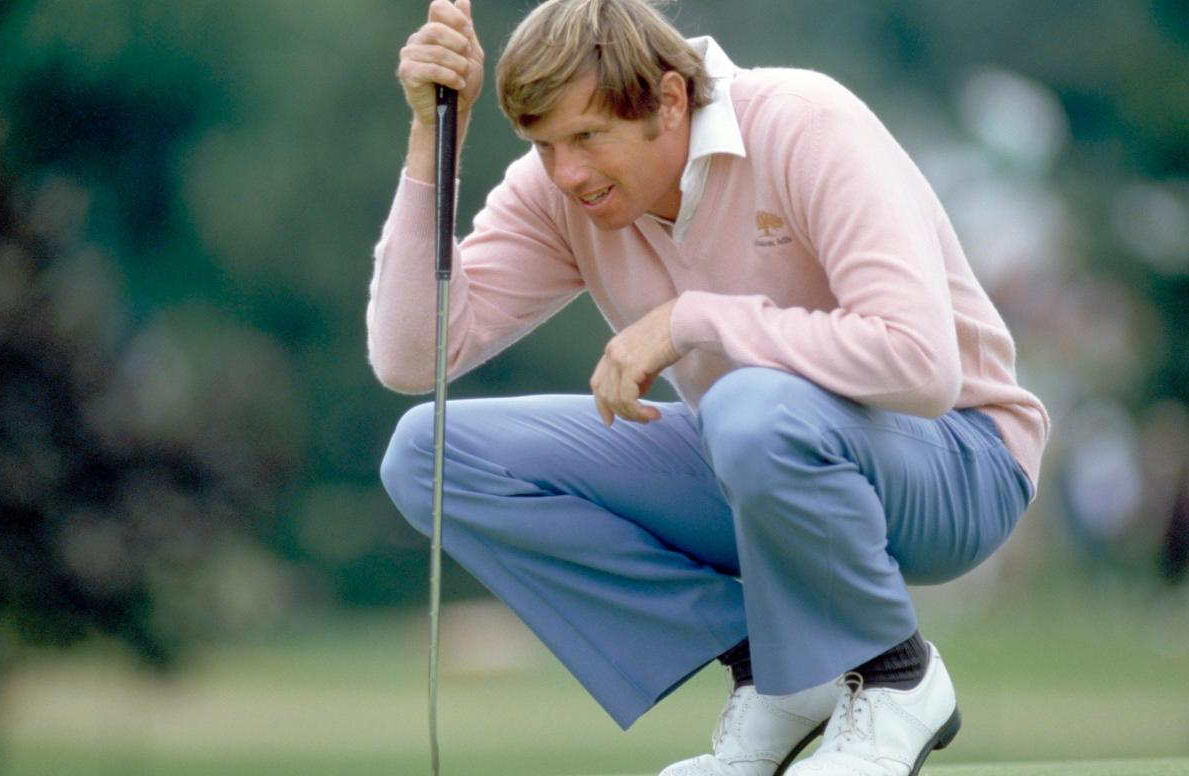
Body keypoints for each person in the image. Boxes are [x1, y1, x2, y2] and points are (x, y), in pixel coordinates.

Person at [369, 1, 1049, 774]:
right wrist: (432, 141)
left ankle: (896, 676)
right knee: (427, 453)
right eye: (544, 144)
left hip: (959, 463)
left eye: (587, 137)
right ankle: (779, 666)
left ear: (666, 99)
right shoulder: (560, 193)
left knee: (746, 405)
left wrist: (693, 319)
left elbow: (921, 365)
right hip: (756, 456)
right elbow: (410, 355)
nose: (567, 174)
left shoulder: (803, 123)